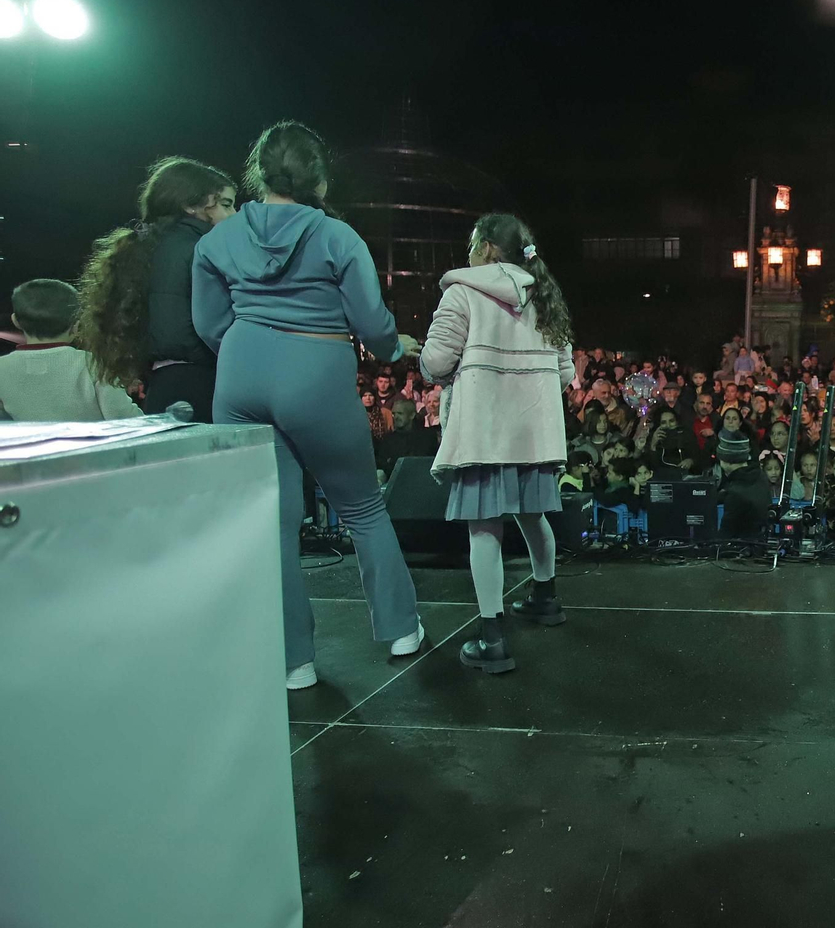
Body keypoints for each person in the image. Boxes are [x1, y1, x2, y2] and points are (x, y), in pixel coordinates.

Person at [193, 120, 425, 690]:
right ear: (318, 175)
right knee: (362, 508)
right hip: (317, 371)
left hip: (240, 374)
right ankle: (399, 628)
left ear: (259, 173)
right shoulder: (337, 237)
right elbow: (372, 325)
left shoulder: (216, 238)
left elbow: (207, 323)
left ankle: (294, 661)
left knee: (273, 526)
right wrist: (396, 347)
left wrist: (251, 349)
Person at [420, 212, 578, 674]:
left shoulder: (463, 292)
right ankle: (545, 599)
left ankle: (493, 640)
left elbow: (434, 361)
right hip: (534, 432)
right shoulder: (545, 295)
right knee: (532, 516)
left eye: (472, 242)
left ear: (487, 247)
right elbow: (565, 372)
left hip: (485, 431)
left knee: (484, 528)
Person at [73, 156, 237, 419]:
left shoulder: (144, 248)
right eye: (226, 205)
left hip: (166, 382)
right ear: (190, 205)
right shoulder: (198, 249)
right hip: (199, 383)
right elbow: (176, 334)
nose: (234, 215)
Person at [0, 279, 142, 421]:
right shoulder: (94, 364)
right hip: (92, 443)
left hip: (32, 443)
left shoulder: (2, 367)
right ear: (76, 326)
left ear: (15, 321)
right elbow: (123, 417)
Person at [716, 430, 771, 539]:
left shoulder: (735, 494)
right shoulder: (760, 475)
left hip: (742, 550)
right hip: (760, 543)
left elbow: (725, 536)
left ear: (728, 461)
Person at [376, 397, 437, 481]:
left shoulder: (428, 437)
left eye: (400, 413)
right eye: (394, 414)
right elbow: (382, 464)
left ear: (412, 415)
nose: (395, 417)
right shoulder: (388, 439)